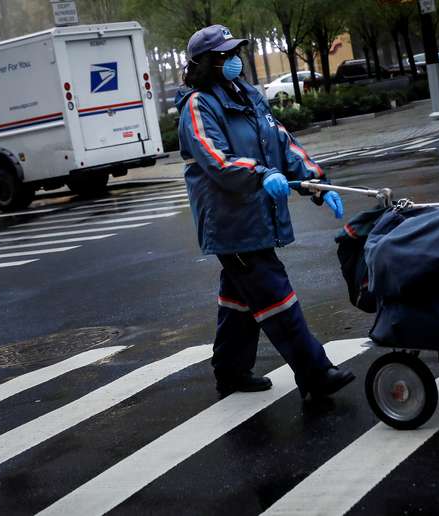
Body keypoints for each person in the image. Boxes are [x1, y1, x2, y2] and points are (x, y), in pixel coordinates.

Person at [175, 24, 355, 400]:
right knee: (276, 298)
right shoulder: (198, 105)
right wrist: (261, 174)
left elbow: (282, 142)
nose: (234, 61)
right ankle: (315, 374)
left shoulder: (249, 96)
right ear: (208, 63)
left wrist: (316, 184)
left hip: (256, 214)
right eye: (225, 56)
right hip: (231, 223)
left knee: (240, 299)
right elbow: (216, 160)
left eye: (235, 53)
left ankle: (231, 371)